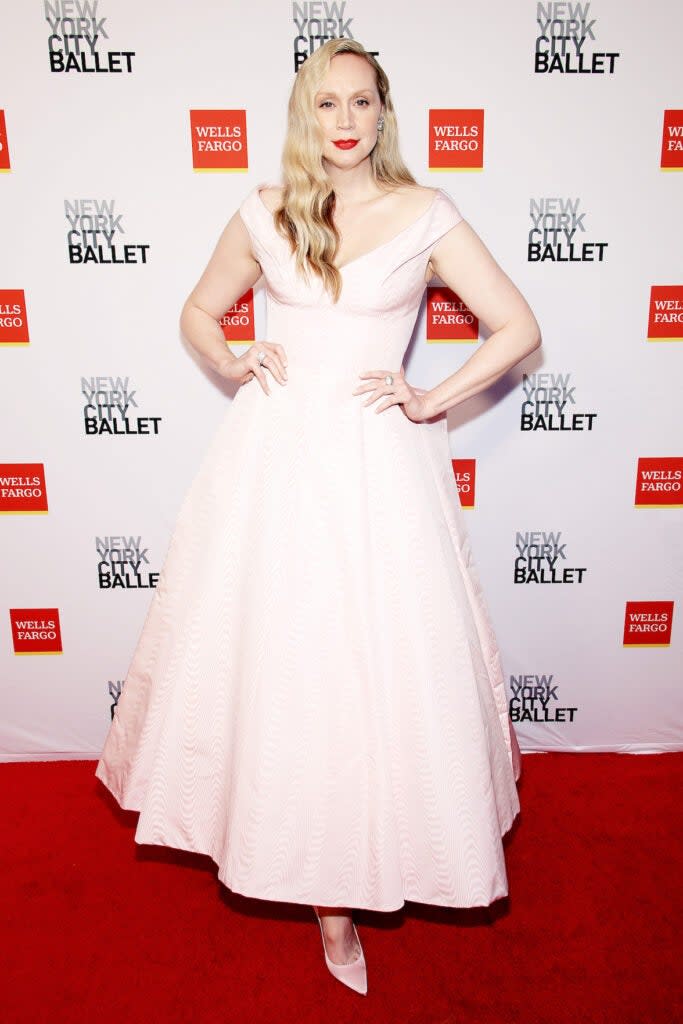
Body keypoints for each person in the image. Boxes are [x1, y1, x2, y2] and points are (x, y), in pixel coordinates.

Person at [95, 38, 541, 997]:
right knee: (283, 667)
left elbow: (517, 326)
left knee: (374, 670)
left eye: (362, 102)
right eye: (327, 102)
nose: (345, 120)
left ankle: (371, 863)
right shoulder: (264, 211)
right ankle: (320, 898)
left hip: (379, 470)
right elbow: (198, 311)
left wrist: (432, 396)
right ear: (307, 114)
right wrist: (228, 360)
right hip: (272, 467)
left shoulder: (427, 214)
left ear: (385, 113)